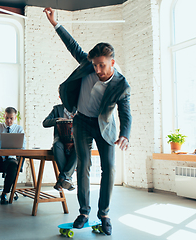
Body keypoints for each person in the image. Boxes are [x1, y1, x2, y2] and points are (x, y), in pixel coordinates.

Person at [44, 7, 132, 235]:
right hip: (82, 121)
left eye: (102, 65)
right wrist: (56, 24)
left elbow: (125, 112)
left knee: (109, 169)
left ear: (112, 63)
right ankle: (84, 212)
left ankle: (104, 214)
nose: (98, 69)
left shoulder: (122, 85)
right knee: (83, 166)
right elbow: (73, 46)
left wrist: (125, 134)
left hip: (105, 127)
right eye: (95, 65)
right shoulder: (88, 64)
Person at [43, 102, 76, 191]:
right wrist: (57, 120)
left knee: (79, 149)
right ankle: (67, 178)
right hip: (60, 138)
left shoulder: (79, 107)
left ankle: (62, 179)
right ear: (60, 96)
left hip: (75, 139)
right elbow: (45, 123)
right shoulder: (57, 109)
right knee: (56, 145)